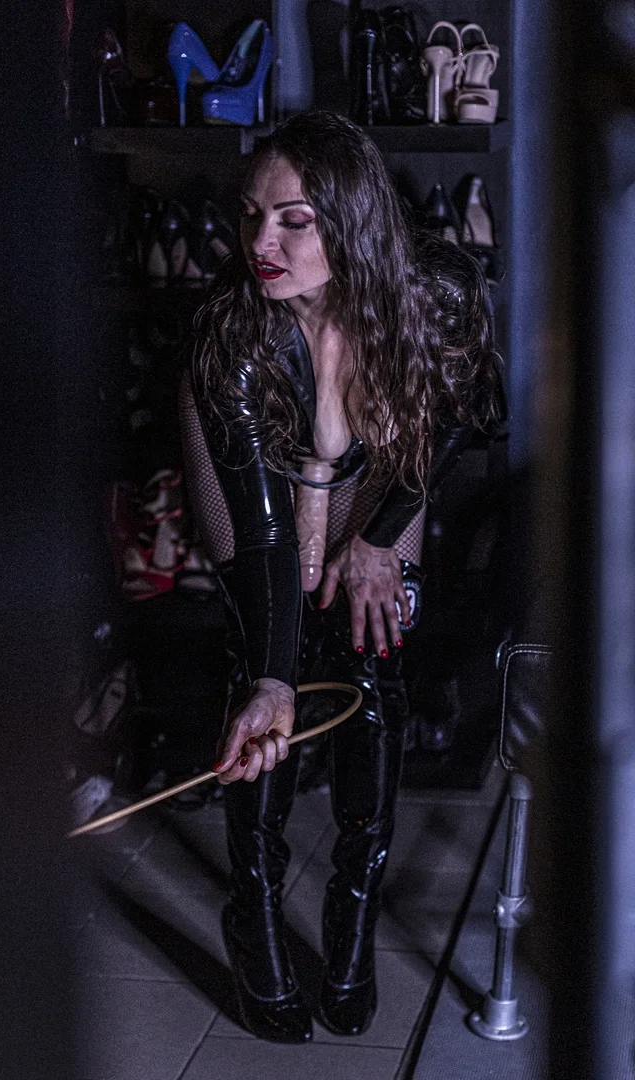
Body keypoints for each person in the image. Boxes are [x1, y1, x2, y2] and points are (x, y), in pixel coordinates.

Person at [179, 110, 504, 1043]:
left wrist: (381, 540)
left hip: (381, 471)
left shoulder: (437, 291)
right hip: (268, 469)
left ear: (352, 222)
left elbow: (459, 421)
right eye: (251, 215)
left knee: (372, 660)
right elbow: (269, 535)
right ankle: (253, 912)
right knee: (270, 656)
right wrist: (276, 676)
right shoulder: (233, 331)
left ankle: (351, 920)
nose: (261, 243)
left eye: (294, 220)